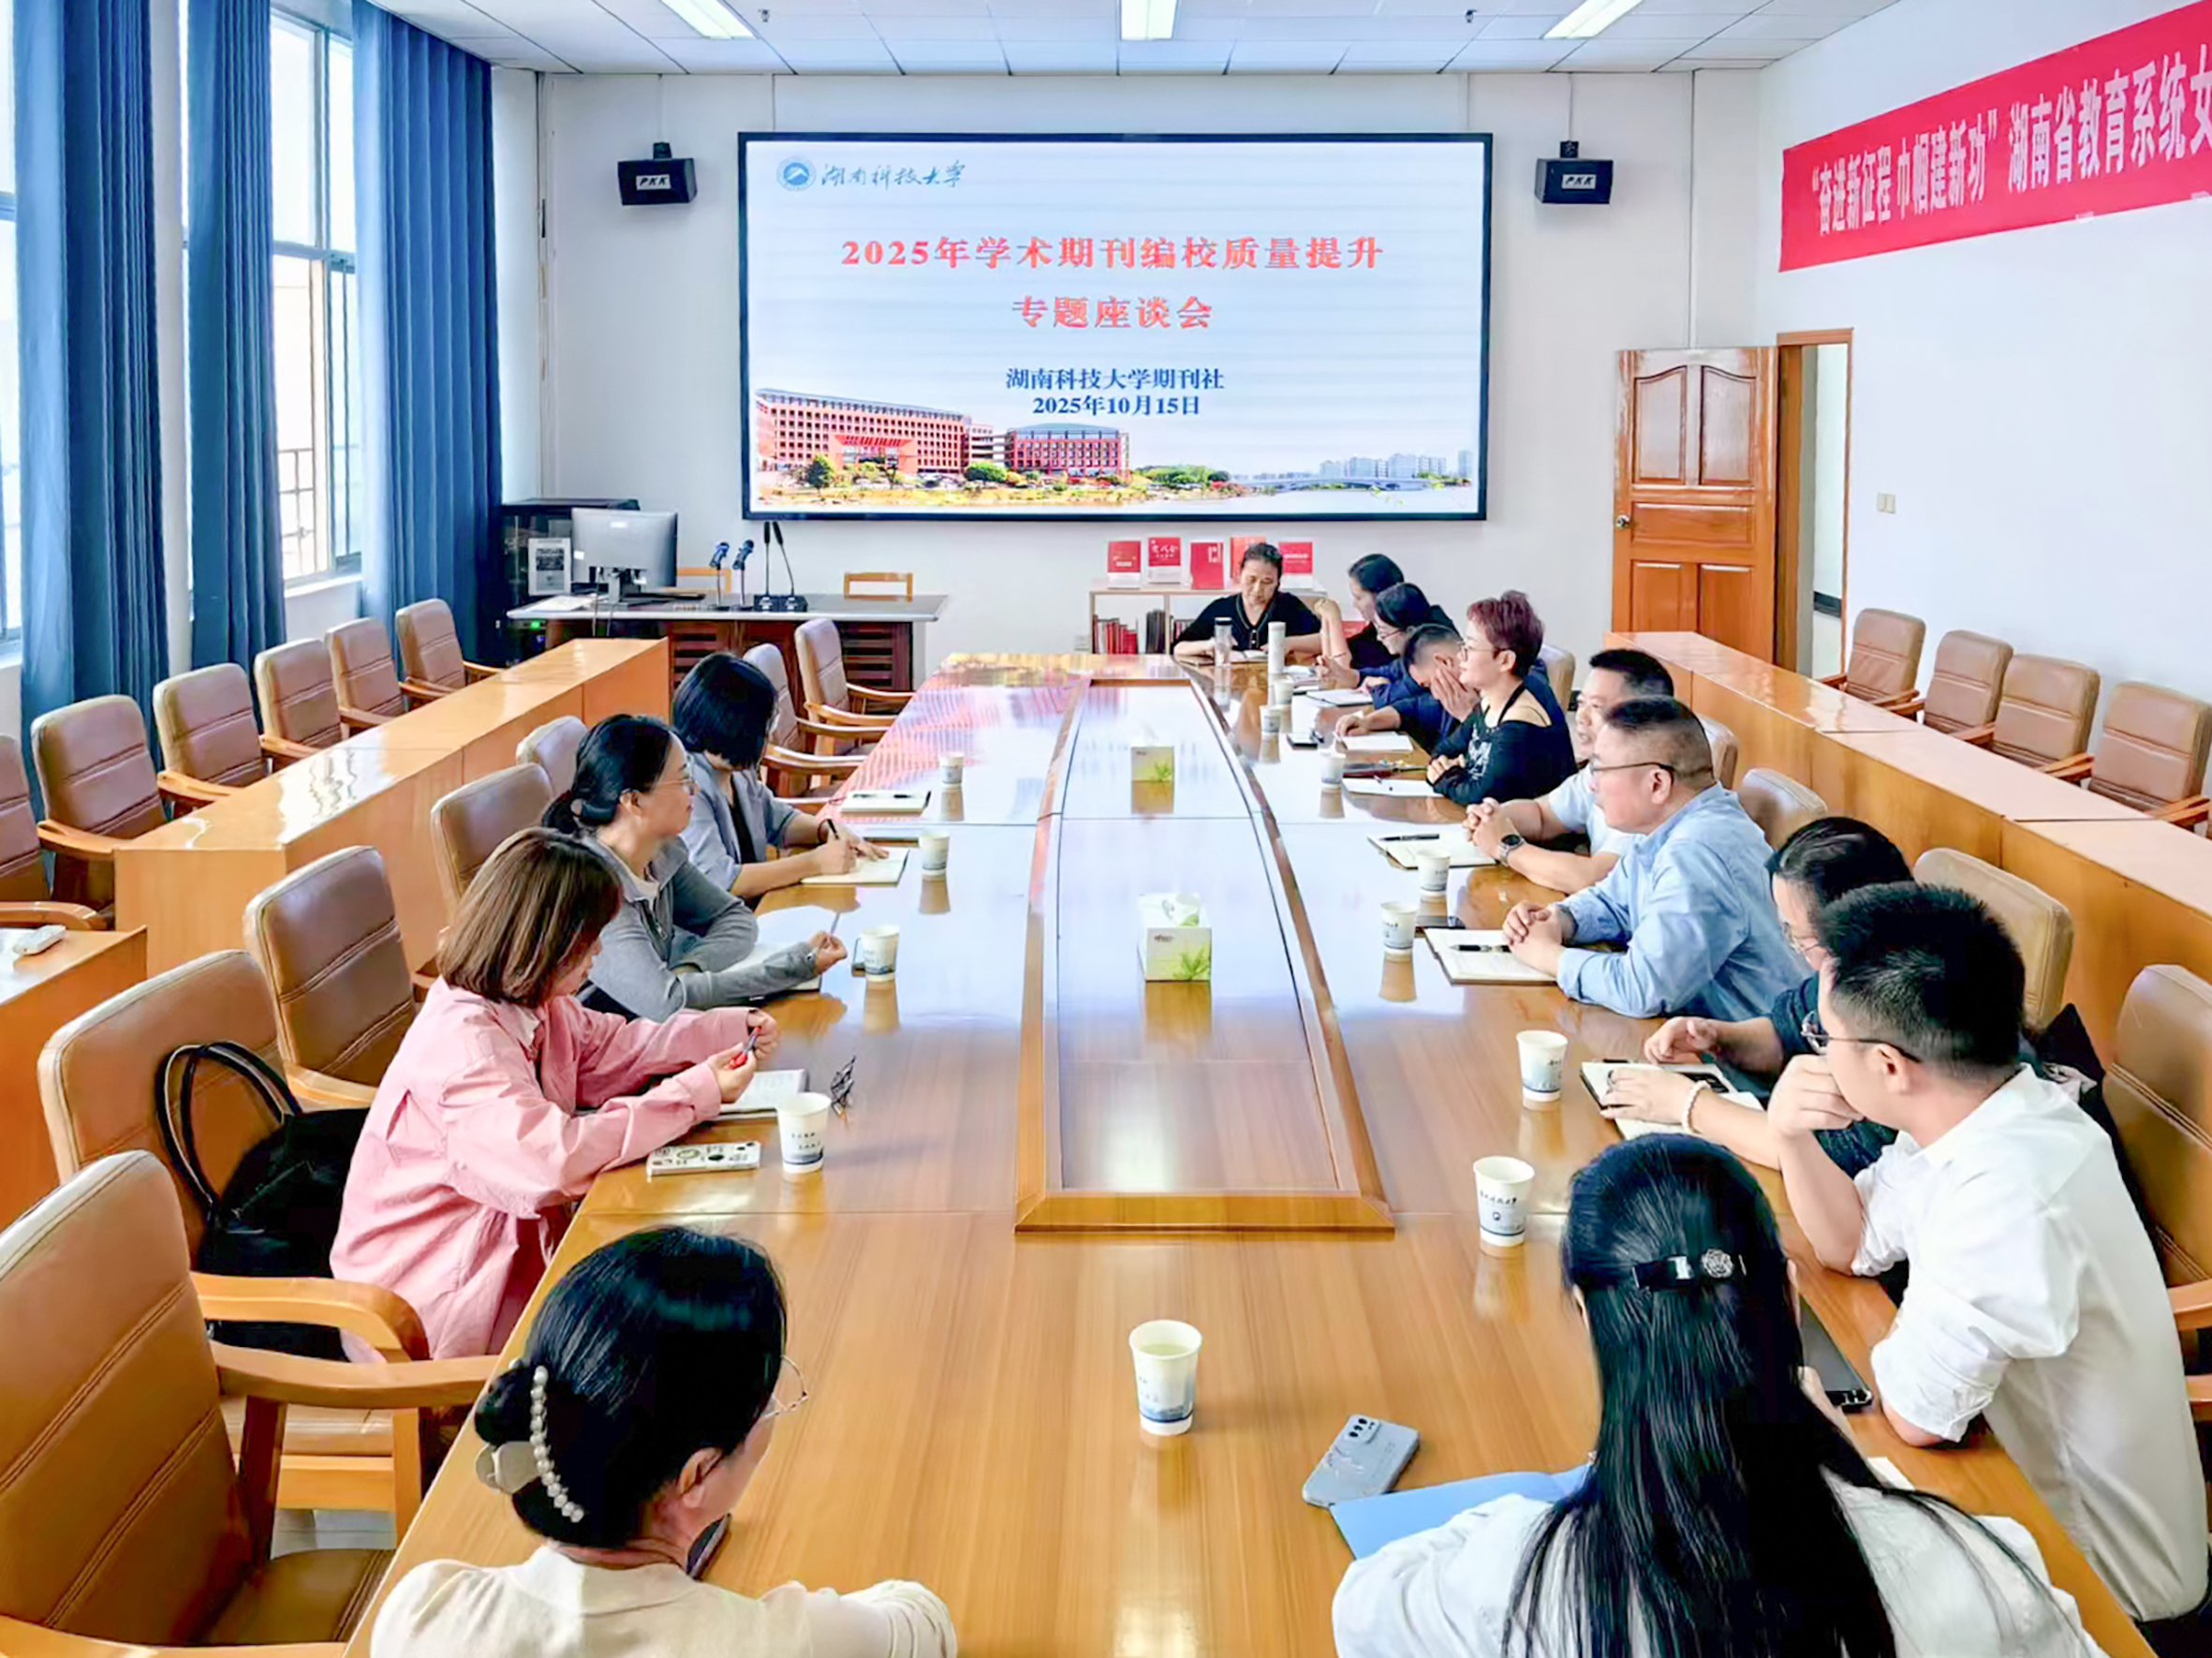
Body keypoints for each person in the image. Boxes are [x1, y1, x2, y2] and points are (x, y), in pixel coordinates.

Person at [1334, 1134, 2104, 1658]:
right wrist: (1860, 1470)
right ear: (1791, 1299)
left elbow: (1363, 1605)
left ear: (1587, 1316)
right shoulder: (1978, 1565)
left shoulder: (1520, 1580)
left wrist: (1563, 1492)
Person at [1777, 884, 2207, 1626]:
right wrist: (1790, 1135)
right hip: (2015, 1496)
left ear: (1889, 1065)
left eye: (1824, 1037)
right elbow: (1852, 1241)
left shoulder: (2010, 1191)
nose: (1818, 1052)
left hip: (2106, 1592)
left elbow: (1915, 1414)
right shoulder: (1990, 1109)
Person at [370, 1227, 955, 1658]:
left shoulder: (421, 1610)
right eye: (767, 1401)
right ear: (697, 1476)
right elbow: (927, 1622)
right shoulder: (779, 1642)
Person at [332, 830, 767, 1360]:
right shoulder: (462, 1051)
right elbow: (553, 1162)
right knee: (679, 1327)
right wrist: (694, 1093)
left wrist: (725, 1030)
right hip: (434, 1310)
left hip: (508, 1260)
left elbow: (610, 1047)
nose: (599, 952)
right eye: (589, 939)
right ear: (547, 943)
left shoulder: (530, 1001)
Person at [1603, 817, 1911, 1176]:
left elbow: (1828, 1157)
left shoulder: (1903, 1011)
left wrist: (1687, 1104)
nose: (1798, 951)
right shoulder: (1850, 967)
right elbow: (1788, 1031)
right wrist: (1717, 1037)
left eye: (1800, 938)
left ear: (1852, 930)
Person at [1502, 698, 1799, 1020]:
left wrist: (1548, 955)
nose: (1592, 784)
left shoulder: (1697, 852)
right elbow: (1614, 901)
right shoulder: (1667, 826)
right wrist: (1560, 919)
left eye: (1601, 769)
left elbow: (1643, 989)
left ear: (1657, 783)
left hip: (1736, 1045)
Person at [544, 715, 843, 1019]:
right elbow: (667, 1004)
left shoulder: (660, 853)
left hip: (657, 1032)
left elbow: (736, 918)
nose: (695, 790)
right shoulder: (592, 890)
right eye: (683, 780)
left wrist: (689, 971)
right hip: (607, 1041)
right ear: (634, 801)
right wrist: (792, 967)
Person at [671, 652, 887, 900]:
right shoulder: (686, 787)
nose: (767, 737)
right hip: (721, 921)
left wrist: (826, 830)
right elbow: (722, 881)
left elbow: (780, 821)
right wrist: (815, 863)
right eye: (764, 728)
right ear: (734, 728)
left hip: (752, 909)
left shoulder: (736, 770)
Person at [1462, 646, 1674, 895]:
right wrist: (1493, 817)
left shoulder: (1646, 784)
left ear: (1644, 717)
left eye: (1597, 707)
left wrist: (1507, 847)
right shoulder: (1600, 767)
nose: (1582, 717)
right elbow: (1543, 815)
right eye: (1581, 703)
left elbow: (1597, 878)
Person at [1424, 591, 1575, 808]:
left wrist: (1445, 777)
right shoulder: (1490, 701)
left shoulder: (1520, 723)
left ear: (1505, 660)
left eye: (1470, 648)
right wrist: (1451, 771)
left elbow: (1482, 796)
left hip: (1526, 828)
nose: (1461, 656)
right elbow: (1444, 750)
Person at [1331, 584, 1455, 747]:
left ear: (1408, 632)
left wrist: (1379, 688)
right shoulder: (1417, 651)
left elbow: (1390, 699)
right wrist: (1367, 720)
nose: (1379, 638)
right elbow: (1413, 706)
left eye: (1383, 633)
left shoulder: (1430, 655)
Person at [1170, 542, 1323, 663]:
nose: (1257, 589)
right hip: (1231, 686)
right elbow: (1178, 648)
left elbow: (1325, 640)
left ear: (1278, 582)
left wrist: (1289, 643)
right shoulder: (1222, 608)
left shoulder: (1288, 605)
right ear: (1239, 575)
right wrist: (1209, 645)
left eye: (1267, 582)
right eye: (1251, 579)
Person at [1314, 553, 1408, 680]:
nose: (1355, 604)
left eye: (1358, 598)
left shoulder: (1403, 638)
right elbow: (1334, 668)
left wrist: (1334, 620)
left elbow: (1343, 671)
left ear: (1381, 595)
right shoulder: (1371, 634)